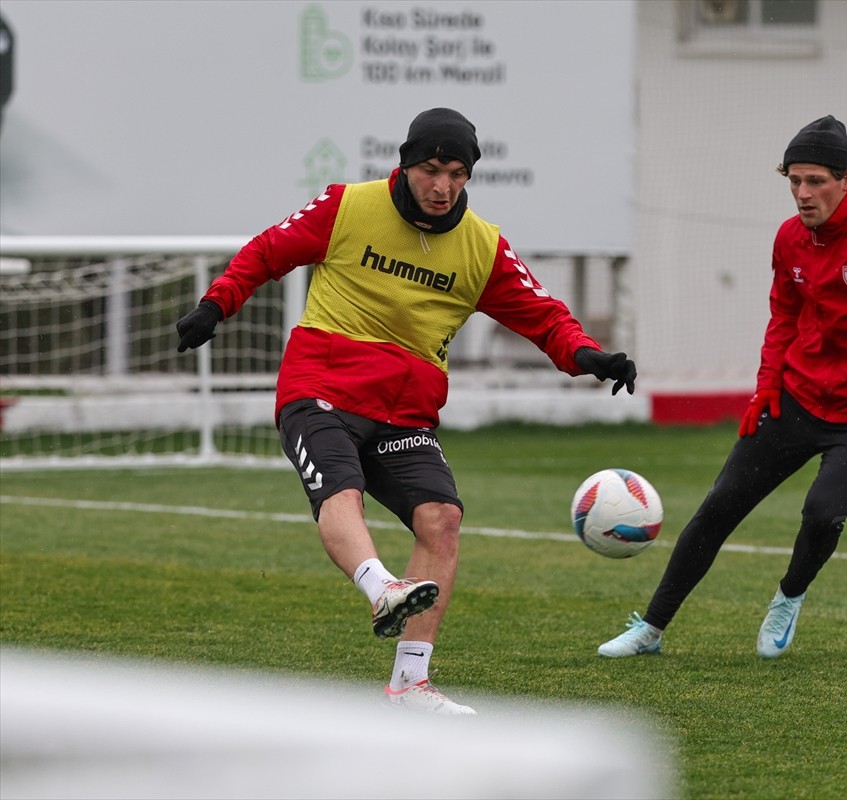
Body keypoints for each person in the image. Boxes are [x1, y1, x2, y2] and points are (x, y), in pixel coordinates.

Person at [177, 108, 637, 714]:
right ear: (406, 163)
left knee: (442, 519)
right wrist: (216, 305)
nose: (443, 186)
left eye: (457, 173)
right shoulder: (347, 206)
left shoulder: (483, 247)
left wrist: (588, 355)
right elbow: (267, 252)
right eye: (431, 170)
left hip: (405, 410)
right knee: (341, 489)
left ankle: (410, 685)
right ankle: (381, 587)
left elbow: (545, 317)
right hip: (322, 388)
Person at [597, 115, 847, 660]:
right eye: (794, 181)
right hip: (797, 399)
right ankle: (650, 629)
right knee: (718, 508)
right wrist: (766, 387)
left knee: (823, 513)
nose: (802, 193)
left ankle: (789, 597)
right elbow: (785, 314)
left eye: (816, 181)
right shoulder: (790, 238)